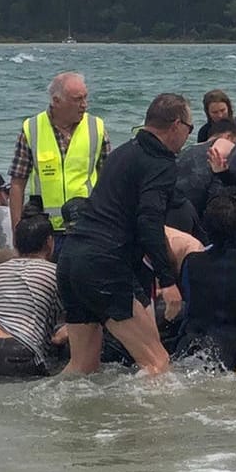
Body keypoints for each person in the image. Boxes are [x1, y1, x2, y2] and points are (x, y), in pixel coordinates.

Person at [55, 93, 194, 375]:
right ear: (177, 125)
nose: (187, 137)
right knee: (157, 362)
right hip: (104, 265)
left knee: (82, 365)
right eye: (189, 129)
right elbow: (149, 221)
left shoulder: (123, 152)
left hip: (71, 259)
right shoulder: (161, 163)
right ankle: (153, 421)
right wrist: (167, 281)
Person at [0, 216, 66, 377]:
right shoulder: (55, 273)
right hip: (19, 352)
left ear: (15, 244)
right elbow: (66, 327)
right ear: (49, 242)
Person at [174, 193, 236, 369]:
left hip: (190, 349)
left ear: (206, 228)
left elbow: (188, 299)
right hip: (233, 356)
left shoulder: (191, 262)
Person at [9, 71, 110, 234]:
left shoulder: (96, 127)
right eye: (77, 99)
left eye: (85, 97)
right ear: (56, 101)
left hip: (86, 225)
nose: (84, 104)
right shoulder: (32, 128)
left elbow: (110, 180)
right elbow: (17, 182)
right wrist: (16, 230)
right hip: (44, 228)